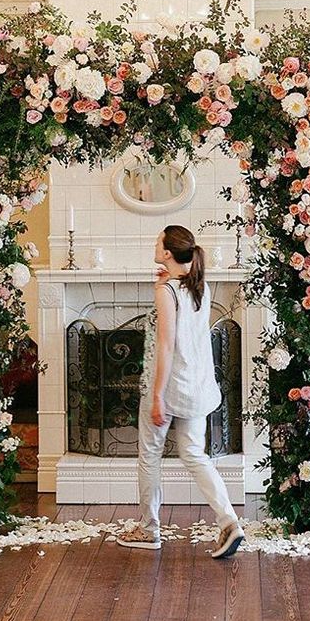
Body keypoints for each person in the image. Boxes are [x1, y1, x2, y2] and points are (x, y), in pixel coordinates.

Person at [117, 225, 245, 559]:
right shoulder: (199, 284)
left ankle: (148, 530)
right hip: (197, 385)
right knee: (194, 454)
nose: (154, 245)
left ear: (169, 253)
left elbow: (166, 346)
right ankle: (229, 521)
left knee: (149, 455)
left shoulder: (168, 292)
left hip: (170, 386)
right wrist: (163, 285)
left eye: (158, 241)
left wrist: (157, 395)